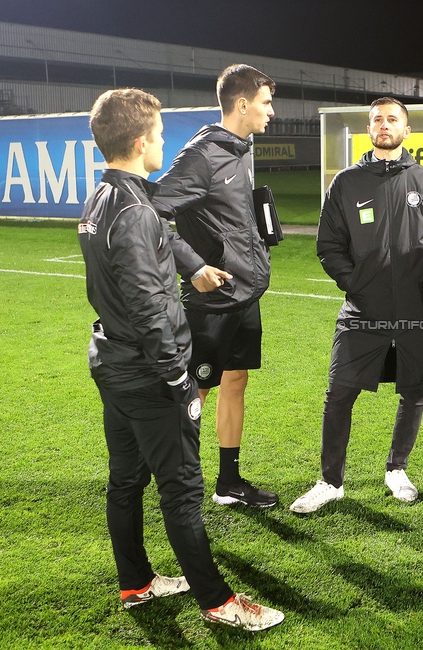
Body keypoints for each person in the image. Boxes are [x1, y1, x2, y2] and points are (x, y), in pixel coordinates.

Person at [77, 88, 283, 630]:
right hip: (149, 374)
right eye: (160, 135)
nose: (163, 144)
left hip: (112, 362)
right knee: (183, 490)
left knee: (125, 481)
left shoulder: (102, 199)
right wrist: (177, 378)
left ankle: (137, 583)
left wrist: (190, 267)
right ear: (141, 141)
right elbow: (148, 305)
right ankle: (218, 603)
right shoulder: (137, 211)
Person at [290, 97, 423, 514]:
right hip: (363, 310)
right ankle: (330, 481)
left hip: (415, 308)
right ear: (368, 129)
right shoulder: (346, 183)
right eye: (377, 120)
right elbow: (328, 245)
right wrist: (356, 284)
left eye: (392, 120)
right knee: (339, 392)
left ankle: (397, 470)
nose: (384, 125)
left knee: (413, 390)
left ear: (406, 130)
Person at [152, 64, 278, 509]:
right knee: (195, 392)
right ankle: (179, 487)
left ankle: (229, 482)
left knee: (236, 380)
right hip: (211, 299)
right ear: (242, 105)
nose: (271, 111)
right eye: (265, 103)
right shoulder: (201, 154)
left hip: (244, 292)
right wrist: (193, 266)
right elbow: (154, 212)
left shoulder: (241, 147)